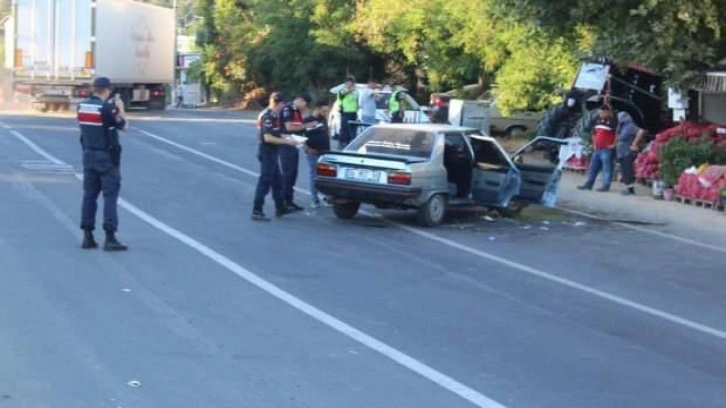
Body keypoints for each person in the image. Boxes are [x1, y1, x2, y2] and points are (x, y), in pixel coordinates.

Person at [78, 76, 128, 251]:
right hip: (106, 157)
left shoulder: (81, 106)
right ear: (107, 90)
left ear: (94, 89)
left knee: (89, 195)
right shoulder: (106, 108)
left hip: (88, 154)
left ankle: (87, 235)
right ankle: (110, 236)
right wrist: (120, 109)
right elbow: (123, 126)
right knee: (110, 195)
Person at [252, 92, 299, 221]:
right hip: (267, 151)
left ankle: (280, 207)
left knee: (277, 181)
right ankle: (257, 210)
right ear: (277, 103)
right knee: (265, 181)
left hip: (273, 152)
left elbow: (276, 133)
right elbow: (268, 137)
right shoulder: (268, 116)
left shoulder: (274, 116)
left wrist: (289, 137)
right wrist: (287, 141)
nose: (284, 107)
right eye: (283, 104)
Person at [280, 93, 311, 212]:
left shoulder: (296, 111)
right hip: (286, 143)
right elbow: (289, 127)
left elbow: (299, 127)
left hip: (295, 144)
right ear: (301, 101)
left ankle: (289, 200)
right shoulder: (288, 109)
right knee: (288, 173)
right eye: (305, 105)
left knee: (293, 174)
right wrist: (306, 126)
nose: (305, 108)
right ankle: (283, 201)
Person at [578, 105, 617, 192]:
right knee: (593, 167)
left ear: (607, 112)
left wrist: (614, 144)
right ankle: (589, 184)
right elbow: (594, 133)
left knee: (607, 168)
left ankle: (606, 186)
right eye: (600, 112)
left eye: (602, 113)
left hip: (607, 149)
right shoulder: (597, 120)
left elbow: (617, 134)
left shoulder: (613, 121)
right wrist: (594, 143)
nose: (600, 114)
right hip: (598, 148)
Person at [303, 100, 331, 208]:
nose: (325, 113)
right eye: (324, 111)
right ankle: (314, 199)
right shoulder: (307, 120)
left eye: (327, 111)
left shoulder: (323, 119)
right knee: (314, 175)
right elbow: (300, 137)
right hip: (313, 152)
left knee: (327, 176)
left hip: (325, 151)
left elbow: (326, 130)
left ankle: (327, 197)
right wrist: (307, 148)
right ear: (317, 109)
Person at [616, 111, 648, 196]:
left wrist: (634, 143)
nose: (620, 119)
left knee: (628, 170)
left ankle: (630, 189)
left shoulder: (630, 126)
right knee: (624, 170)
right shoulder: (622, 126)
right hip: (622, 151)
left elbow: (641, 131)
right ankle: (628, 188)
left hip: (628, 151)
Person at [337, 76, 359, 148]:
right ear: (345, 83)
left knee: (353, 129)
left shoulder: (355, 91)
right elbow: (342, 95)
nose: (350, 84)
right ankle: (342, 142)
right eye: (348, 82)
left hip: (354, 112)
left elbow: (356, 100)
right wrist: (350, 90)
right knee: (345, 128)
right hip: (345, 112)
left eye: (351, 82)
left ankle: (351, 143)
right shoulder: (342, 90)